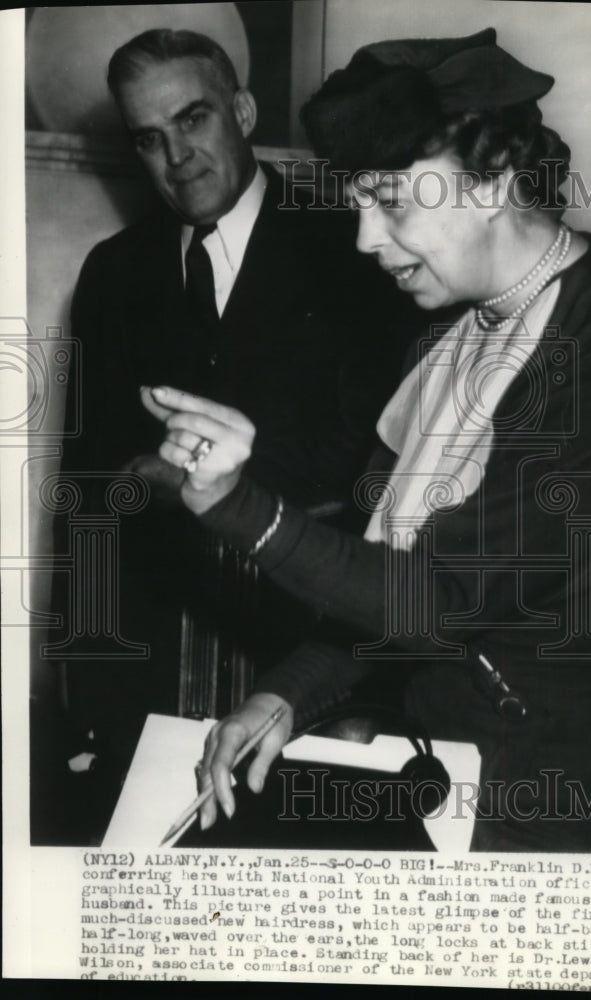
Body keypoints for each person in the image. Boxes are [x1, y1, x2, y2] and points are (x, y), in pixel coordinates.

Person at [143, 28, 591, 852]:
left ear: (495, 184)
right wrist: (288, 693)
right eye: (358, 201)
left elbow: (437, 600)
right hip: (453, 764)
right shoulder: (455, 336)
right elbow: (384, 567)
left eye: (393, 201)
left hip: (567, 811)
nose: (366, 238)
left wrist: (239, 507)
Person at [42, 28, 425, 838]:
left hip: (307, 661)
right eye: (149, 138)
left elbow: (388, 485)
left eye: (194, 120)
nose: (176, 155)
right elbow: (85, 493)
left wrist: (371, 690)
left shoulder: (358, 247)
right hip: (155, 665)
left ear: (243, 110)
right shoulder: (114, 271)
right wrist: (86, 691)